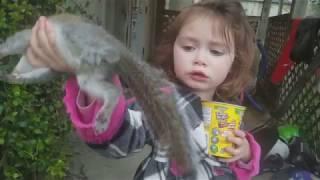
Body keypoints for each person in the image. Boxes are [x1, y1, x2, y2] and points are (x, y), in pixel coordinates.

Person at [26, 0, 261, 179]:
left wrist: (246, 153)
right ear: (173, 50)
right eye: (189, 47)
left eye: (216, 52)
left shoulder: (229, 109)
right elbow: (119, 137)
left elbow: (233, 166)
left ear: (234, 63)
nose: (200, 58)